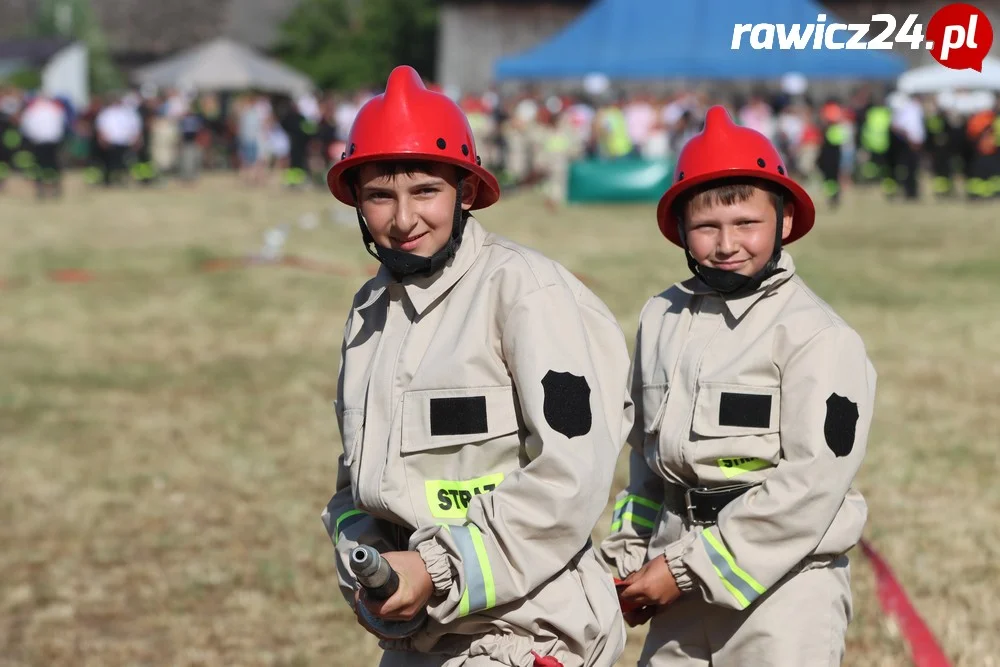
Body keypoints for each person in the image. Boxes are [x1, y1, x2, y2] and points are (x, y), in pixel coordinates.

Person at [321, 65, 632, 667]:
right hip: (419, 634)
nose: (403, 219)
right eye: (380, 195)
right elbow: (355, 487)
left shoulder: (528, 294)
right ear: (356, 203)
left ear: (465, 192)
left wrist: (437, 569)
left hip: (528, 636)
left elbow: (571, 474)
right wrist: (367, 569)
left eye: (425, 192)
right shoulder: (370, 311)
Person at [600, 106, 876, 666]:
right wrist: (626, 558)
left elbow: (810, 485)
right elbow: (646, 463)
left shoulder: (817, 336)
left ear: (786, 221)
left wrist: (683, 572)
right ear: (679, 230)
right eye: (706, 227)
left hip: (784, 589)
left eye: (747, 223)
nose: (727, 243)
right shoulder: (661, 316)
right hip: (674, 579)